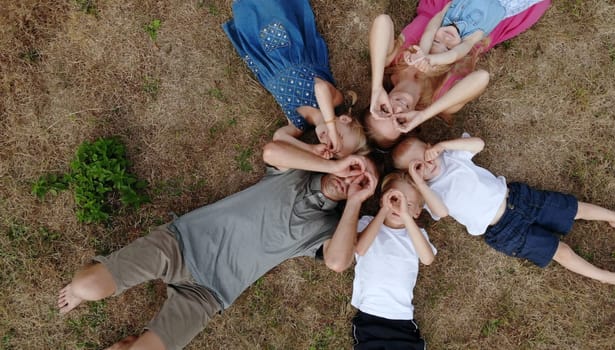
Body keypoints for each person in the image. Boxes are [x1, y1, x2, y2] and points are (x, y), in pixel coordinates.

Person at [57, 140, 379, 350]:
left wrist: (355, 201)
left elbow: (338, 262)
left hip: (208, 294)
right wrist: (333, 167)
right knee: (85, 286)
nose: (351, 180)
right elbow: (271, 152)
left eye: (362, 182)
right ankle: (90, 282)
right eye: (354, 169)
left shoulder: (327, 227)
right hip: (180, 245)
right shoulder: (296, 171)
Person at [392, 134, 615, 287]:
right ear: (412, 175)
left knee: (572, 209)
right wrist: (419, 183)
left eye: (425, 154)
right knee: (560, 251)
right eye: (417, 167)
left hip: (518, 199)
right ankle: (607, 277)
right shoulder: (430, 192)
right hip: (503, 231)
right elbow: (441, 212)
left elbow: (478, 144)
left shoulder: (452, 156)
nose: (426, 164)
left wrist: (443, 146)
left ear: (431, 148)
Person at [366, 0, 550, 148]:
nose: (397, 110)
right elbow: (481, 78)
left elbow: (382, 21)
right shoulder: (441, 99)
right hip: (486, 21)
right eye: (398, 120)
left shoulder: (393, 63)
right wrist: (423, 115)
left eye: (384, 110)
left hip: (449, 5)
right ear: (409, 125)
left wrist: (376, 88)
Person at [223, 0, 368, 159]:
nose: (329, 140)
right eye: (338, 137)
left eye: (332, 147)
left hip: (268, 65)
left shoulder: (300, 125)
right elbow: (320, 88)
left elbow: (279, 137)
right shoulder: (334, 101)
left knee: (248, 21)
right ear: (345, 119)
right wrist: (331, 127)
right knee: (268, 10)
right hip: (286, 52)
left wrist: (309, 149)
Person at [350, 172, 436, 349]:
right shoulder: (367, 223)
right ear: (382, 200)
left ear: (417, 212)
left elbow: (427, 259)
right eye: (394, 199)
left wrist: (405, 216)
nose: (398, 207)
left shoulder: (415, 235)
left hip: (401, 315)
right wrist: (383, 212)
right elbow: (360, 248)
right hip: (369, 312)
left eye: (408, 204)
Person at [410, 0, 547, 74]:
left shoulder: (444, 16)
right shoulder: (472, 36)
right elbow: (455, 55)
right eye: (447, 47)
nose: (446, 39)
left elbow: (429, 31)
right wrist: (432, 60)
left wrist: (423, 55)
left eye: (436, 40)